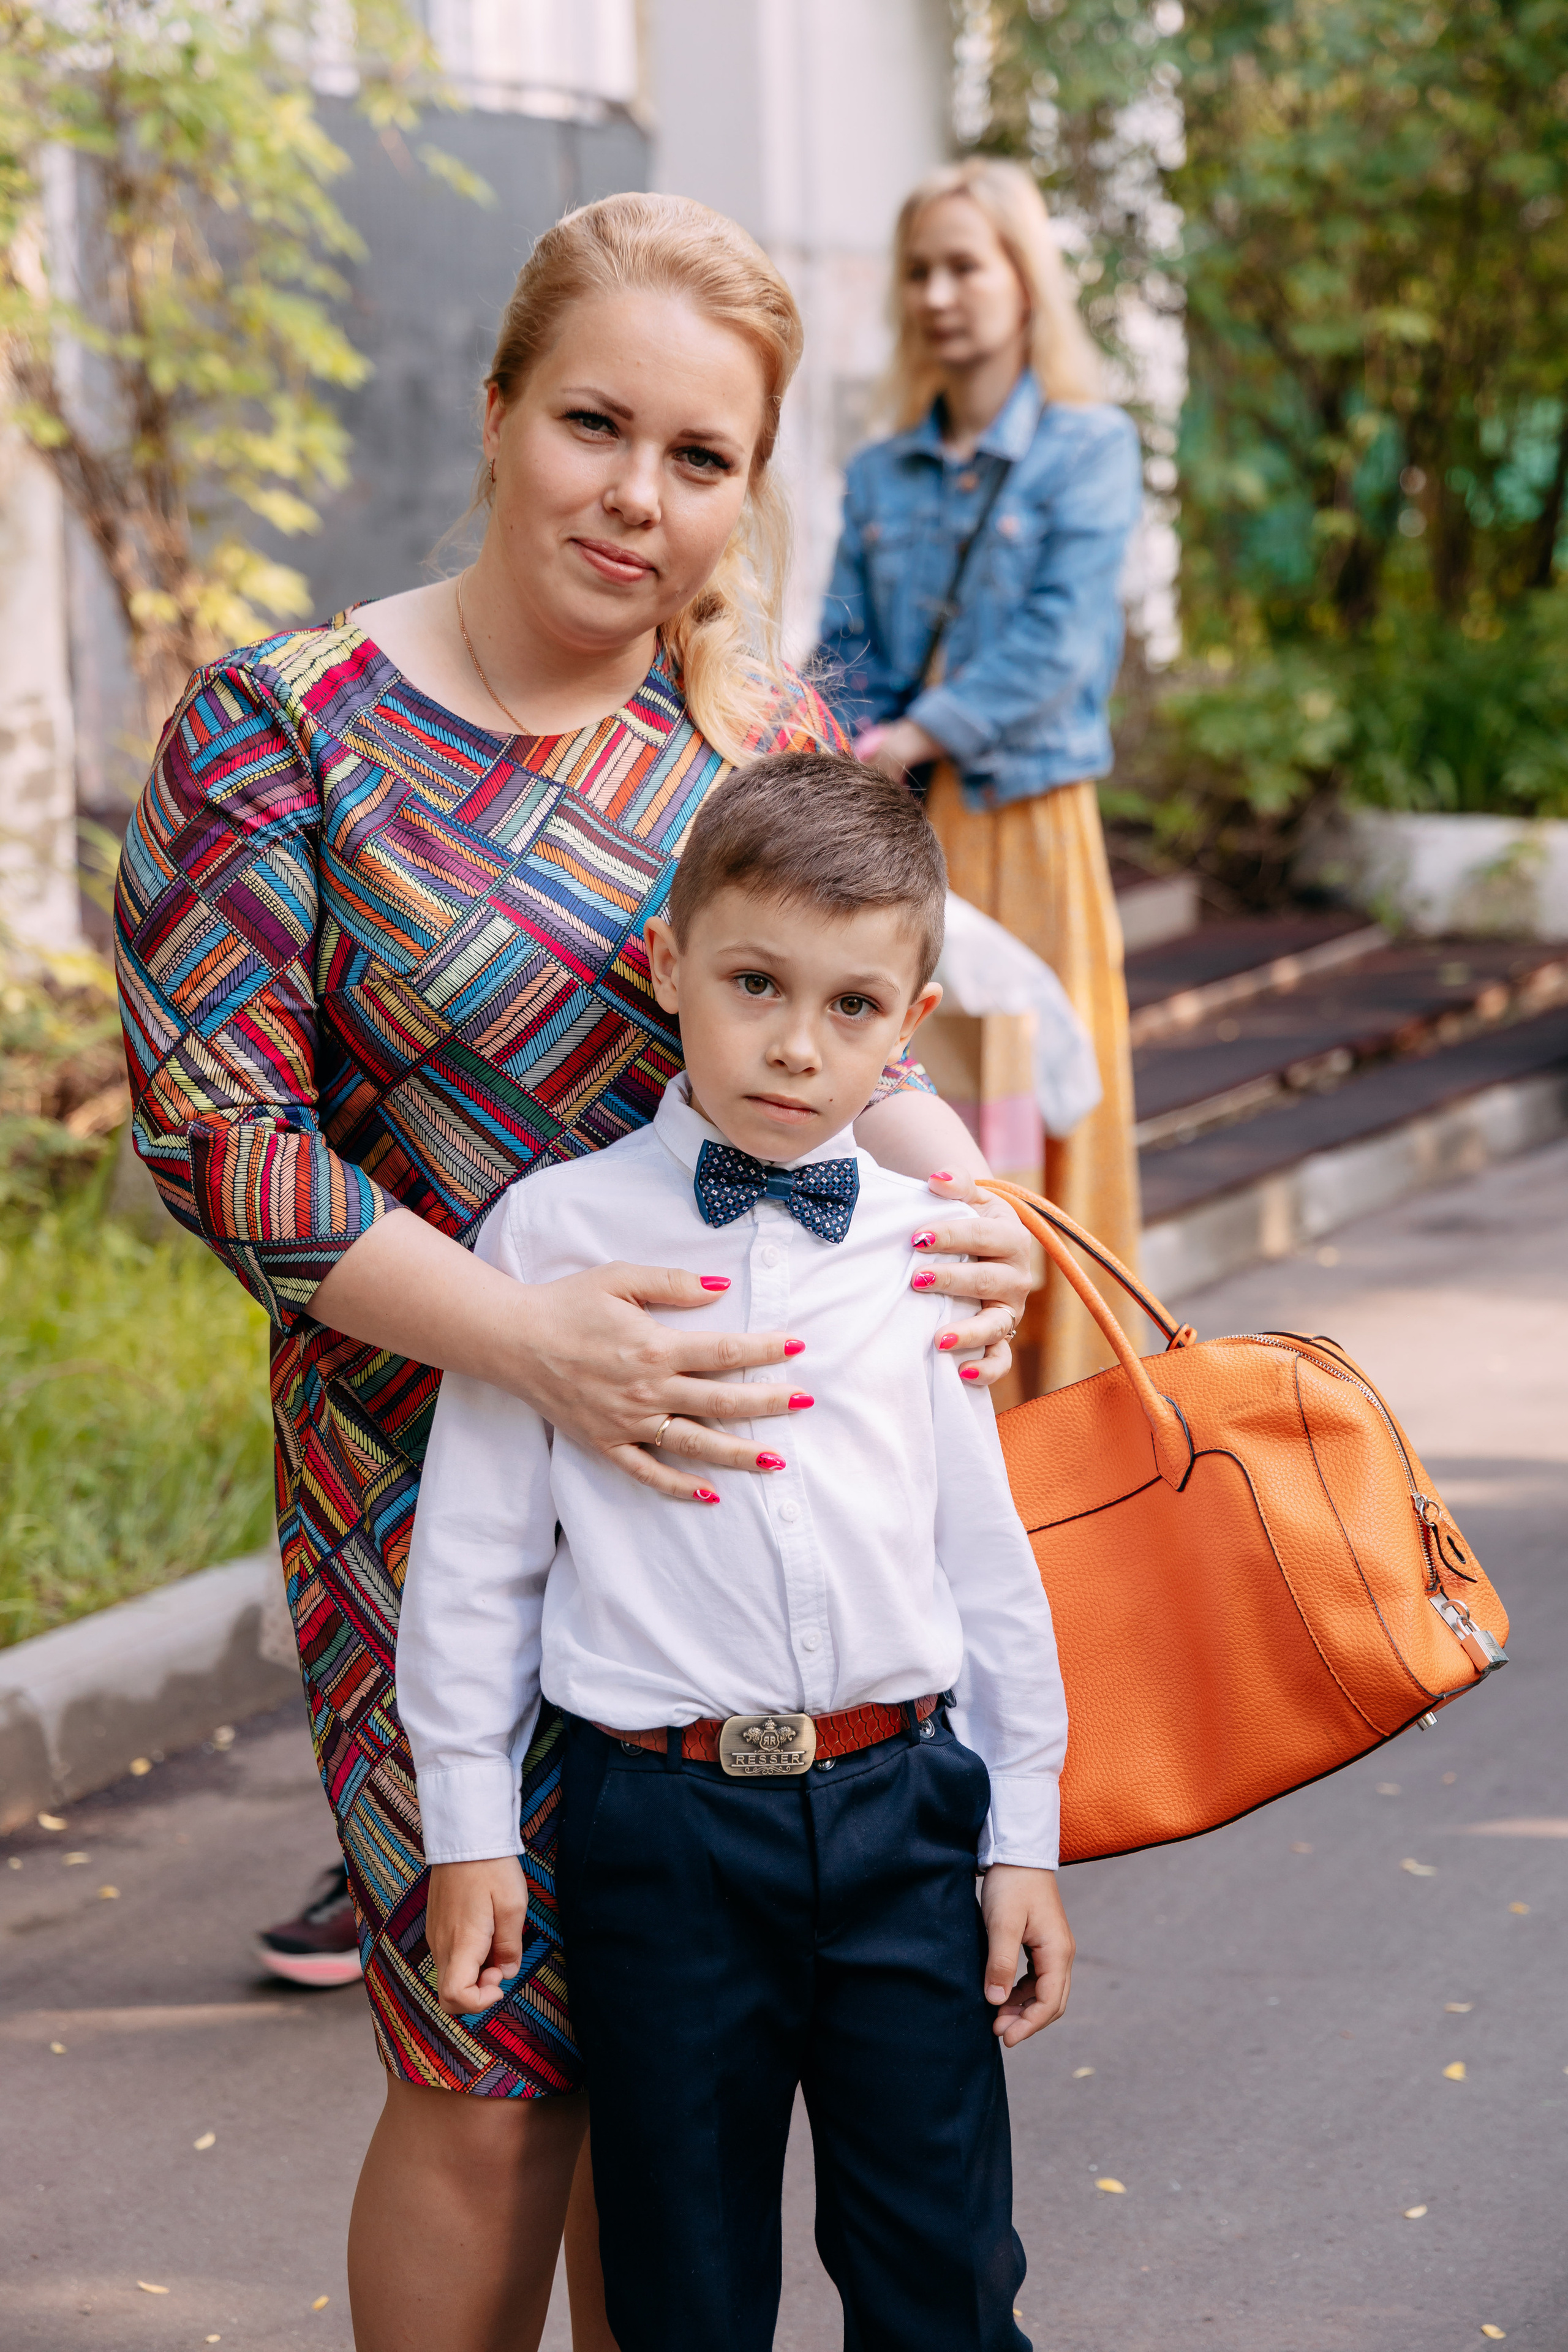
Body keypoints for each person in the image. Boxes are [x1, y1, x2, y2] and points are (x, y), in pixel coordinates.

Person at [113, 192, 1036, 2352]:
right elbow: (219, 1142)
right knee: (496, 2069)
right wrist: (527, 1336)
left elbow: (858, 1028)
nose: (639, 497)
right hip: (427, 1490)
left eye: (701, 458)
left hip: (739, 1512)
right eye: (597, 426)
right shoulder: (282, 733)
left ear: (749, 486)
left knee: (675, 2098)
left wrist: (957, 1204)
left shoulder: (754, 728)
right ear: (503, 405)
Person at [401, 752, 1073, 2352]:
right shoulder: (551, 1237)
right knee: (679, 2275)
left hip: (906, 1812)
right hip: (660, 1826)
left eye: (852, 1008)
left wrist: (1025, 1830)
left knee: (945, 2267)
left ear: (907, 1030)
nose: (794, 1044)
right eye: (756, 983)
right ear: (670, 969)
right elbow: (481, 1561)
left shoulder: (934, 1251)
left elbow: (985, 1558)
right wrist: (468, 1828)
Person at [818, 157, 1144, 1398]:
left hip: (1028, 820)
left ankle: (1069, 1400)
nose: (940, 293)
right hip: (911, 830)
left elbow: (1058, 647)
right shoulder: (880, 472)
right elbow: (844, 653)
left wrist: (913, 734)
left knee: (1044, 1111)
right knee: (932, 1113)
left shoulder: (1084, 448)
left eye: (967, 263)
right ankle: (953, 1396)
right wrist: (823, 743)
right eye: (919, 270)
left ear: (1023, 280)